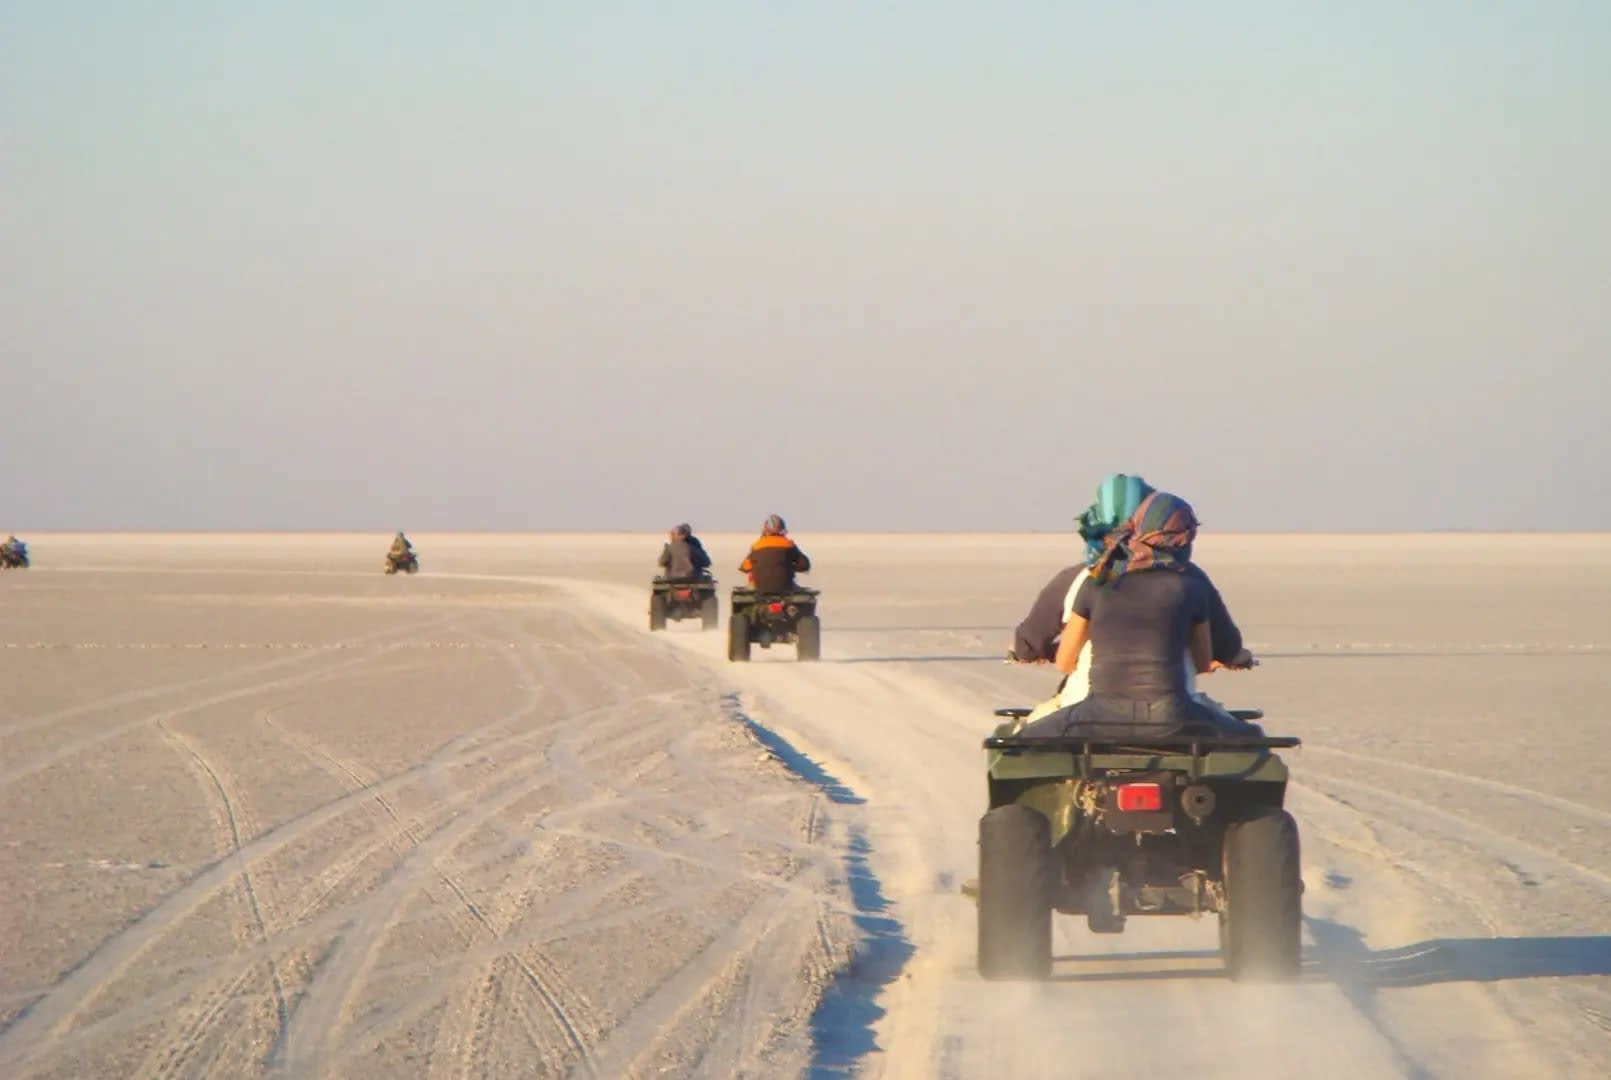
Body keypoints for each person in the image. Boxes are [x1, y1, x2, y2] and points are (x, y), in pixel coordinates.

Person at [1019, 491, 1261, 740]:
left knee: (1023, 739)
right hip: (1172, 717)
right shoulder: (1191, 586)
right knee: (1251, 736)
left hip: (1097, 717)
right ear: (1184, 540)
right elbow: (1201, 664)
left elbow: (1065, 663)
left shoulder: (1097, 582)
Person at [739, 514, 810, 593]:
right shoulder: (788, 544)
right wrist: (790, 566)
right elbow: (804, 565)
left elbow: (744, 567)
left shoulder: (757, 546)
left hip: (761, 589)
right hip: (786, 587)